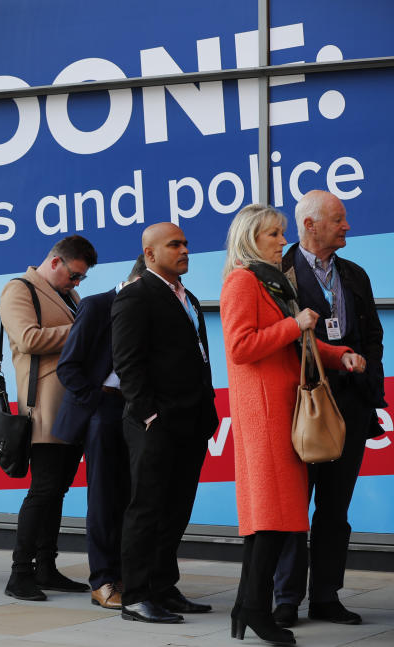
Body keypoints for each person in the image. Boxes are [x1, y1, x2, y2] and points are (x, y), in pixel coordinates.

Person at [220, 204, 365, 645]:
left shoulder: (270, 279)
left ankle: (247, 607)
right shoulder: (242, 281)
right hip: (264, 411)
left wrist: (340, 355)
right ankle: (256, 610)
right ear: (250, 239)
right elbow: (241, 346)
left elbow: (302, 339)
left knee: (275, 518)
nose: (282, 241)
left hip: (284, 408)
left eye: (281, 233)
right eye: (273, 235)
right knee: (273, 519)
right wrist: (292, 324)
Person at [272, 190, 385, 627]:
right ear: (310, 225)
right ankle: (285, 598)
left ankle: (325, 596)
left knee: (335, 510)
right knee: (293, 509)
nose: (347, 226)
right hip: (301, 409)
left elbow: (372, 334)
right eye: (339, 219)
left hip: (350, 409)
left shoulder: (354, 274)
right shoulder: (279, 275)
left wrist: (367, 377)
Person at [111, 222, 219, 624]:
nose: (185, 250)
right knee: (147, 509)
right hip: (154, 425)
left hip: (192, 422)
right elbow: (127, 362)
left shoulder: (187, 297)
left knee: (176, 508)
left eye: (187, 243)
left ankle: (162, 586)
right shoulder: (136, 296)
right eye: (175, 244)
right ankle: (136, 596)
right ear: (151, 254)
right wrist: (149, 414)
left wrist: (206, 410)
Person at [0, 235, 97, 601]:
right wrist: (82, 331)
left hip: (71, 405)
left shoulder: (68, 295)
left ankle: (46, 566)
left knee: (57, 489)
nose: (76, 284)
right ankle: (19, 572)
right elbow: (27, 339)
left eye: (81, 280)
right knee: (43, 490)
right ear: (55, 262)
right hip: (44, 404)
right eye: (74, 275)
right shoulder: (19, 289)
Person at [52, 254, 146, 611]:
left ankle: (125, 574)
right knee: (105, 498)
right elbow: (69, 367)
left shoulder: (146, 309)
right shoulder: (97, 305)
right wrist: (97, 401)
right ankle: (102, 580)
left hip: (136, 409)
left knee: (132, 496)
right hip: (103, 410)